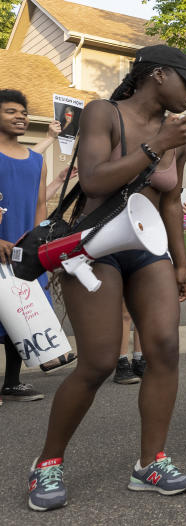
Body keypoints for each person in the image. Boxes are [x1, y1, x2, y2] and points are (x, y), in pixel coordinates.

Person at [28, 46, 186, 511]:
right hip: (93, 250)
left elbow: (171, 202)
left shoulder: (180, 135)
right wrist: (157, 145)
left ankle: (151, 463)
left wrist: (182, 263)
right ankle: (47, 463)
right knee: (99, 361)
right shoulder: (103, 113)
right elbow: (93, 181)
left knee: (165, 348)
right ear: (159, 75)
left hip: (149, 252)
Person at [0, 89, 48, 404]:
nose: (21, 116)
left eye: (24, 112)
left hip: (23, 251)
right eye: (11, 111)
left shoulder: (37, 160)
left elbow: (41, 205)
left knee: (20, 314)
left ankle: (13, 382)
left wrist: (38, 245)